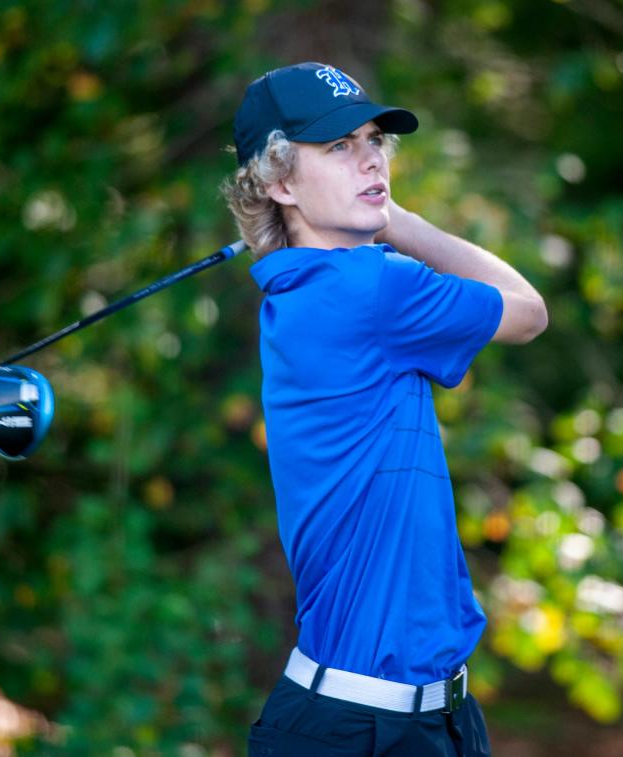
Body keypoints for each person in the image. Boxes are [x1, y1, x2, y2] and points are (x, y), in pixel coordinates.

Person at [225, 62, 547, 757]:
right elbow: (527, 311)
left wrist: (362, 215)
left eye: (373, 140)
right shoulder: (370, 288)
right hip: (357, 732)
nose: (370, 157)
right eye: (337, 147)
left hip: (430, 719)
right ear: (278, 182)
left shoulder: (295, 288)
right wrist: (397, 221)